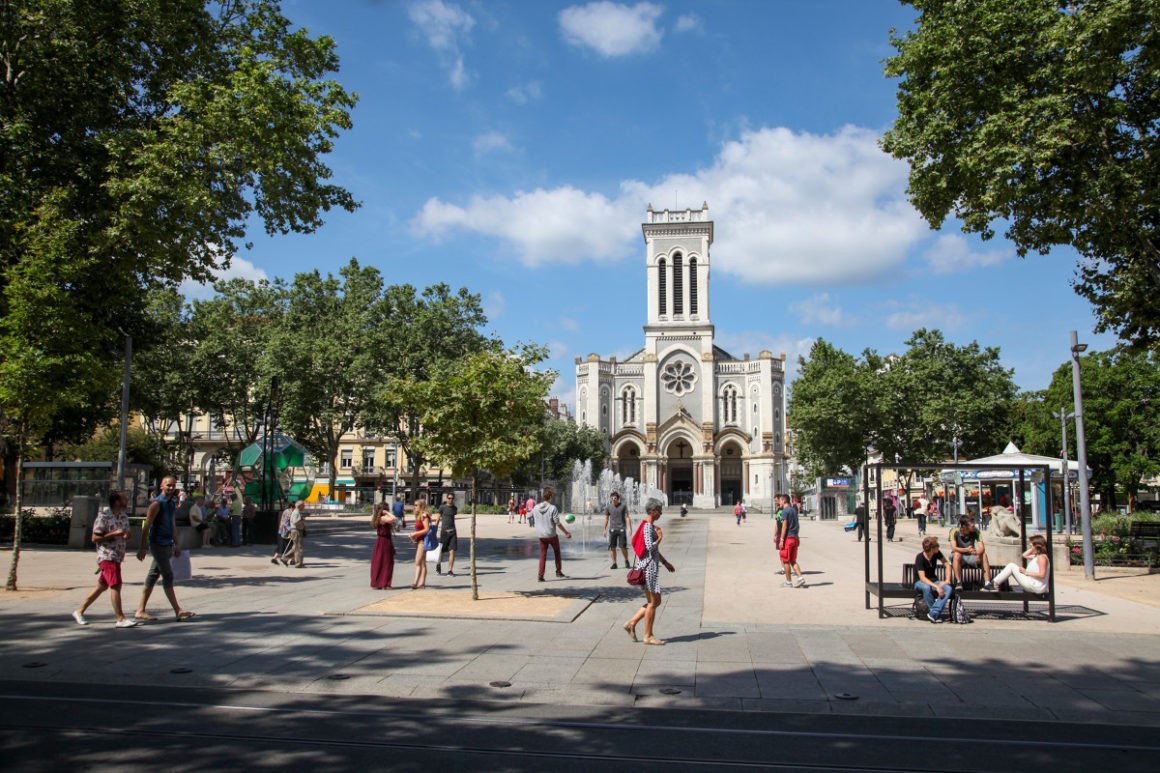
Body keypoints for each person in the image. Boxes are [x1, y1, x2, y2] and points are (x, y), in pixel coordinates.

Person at [73, 491, 139, 627]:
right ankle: (120, 618)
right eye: (124, 498)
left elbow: (129, 534)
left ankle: (79, 611)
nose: (127, 500)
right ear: (116, 501)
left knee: (101, 586)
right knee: (116, 585)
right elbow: (94, 538)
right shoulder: (104, 516)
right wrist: (113, 534)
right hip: (107, 555)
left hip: (118, 555)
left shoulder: (123, 516)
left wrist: (126, 535)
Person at [134, 476, 194, 622]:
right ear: (161, 486)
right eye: (168, 485)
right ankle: (178, 610)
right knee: (168, 575)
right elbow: (146, 526)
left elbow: (172, 525)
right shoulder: (156, 504)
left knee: (153, 575)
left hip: (167, 544)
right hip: (157, 544)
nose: (171, 488)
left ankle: (140, 610)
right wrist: (142, 547)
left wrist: (177, 544)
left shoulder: (171, 503)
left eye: (173, 486)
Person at [623, 497, 675, 645]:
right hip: (648, 569)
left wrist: (665, 562)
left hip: (650, 567)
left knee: (654, 601)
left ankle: (631, 623)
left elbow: (653, 551)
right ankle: (648, 635)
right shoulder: (647, 527)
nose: (661, 514)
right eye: (659, 511)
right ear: (652, 511)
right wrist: (660, 538)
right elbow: (649, 547)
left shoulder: (649, 526)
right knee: (654, 602)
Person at [985, 534, 1049, 593]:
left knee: (1011, 566)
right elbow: (1024, 555)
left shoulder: (1042, 558)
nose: (1030, 545)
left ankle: (994, 584)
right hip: (1034, 583)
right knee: (1012, 566)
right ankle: (994, 583)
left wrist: (1026, 572)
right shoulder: (1037, 556)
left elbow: (1042, 575)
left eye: (1031, 544)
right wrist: (1032, 549)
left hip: (1036, 585)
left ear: (1037, 545)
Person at [531, 487, 572, 581]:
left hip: (541, 535)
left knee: (542, 555)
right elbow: (557, 523)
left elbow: (530, 515)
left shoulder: (536, 507)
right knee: (557, 552)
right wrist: (566, 532)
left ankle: (540, 576)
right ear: (550, 497)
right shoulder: (552, 508)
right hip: (551, 535)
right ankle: (558, 571)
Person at [915, 536, 954, 623]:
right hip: (920, 582)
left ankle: (933, 613)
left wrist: (947, 580)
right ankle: (935, 614)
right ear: (932, 549)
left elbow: (947, 565)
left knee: (948, 588)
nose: (939, 548)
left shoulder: (937, 553)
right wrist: (936, 587)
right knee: (926, 588)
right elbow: (922, 578)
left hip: (933, 581)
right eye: (937, 546)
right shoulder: (920, 558)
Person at [950, 516, 992, 587]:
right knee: (957, 554)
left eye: (973, 524)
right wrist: (966, 549)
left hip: (971, 556)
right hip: (958, 557)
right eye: (971, 525)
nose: (973, 526)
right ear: (964, 526)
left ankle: (987, 583)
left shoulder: (976, 531)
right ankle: (959, 582)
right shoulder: (954, 531)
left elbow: (982, 547)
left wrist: (978, 553)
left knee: (984, 555)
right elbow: (954, 548)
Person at [777, 494, 806, 587]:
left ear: (784, 501)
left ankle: (788, 582)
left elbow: (784, 526)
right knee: (793, 560)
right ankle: (800, 578)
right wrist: (797, 536)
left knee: (785, 560)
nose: (779, 503)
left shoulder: (785, 511)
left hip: (788, 538)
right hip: (795, 538)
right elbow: (798, 525)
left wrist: (781, 539)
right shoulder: (794, 510)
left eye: (780, 501)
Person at [370, 502, 397, 589]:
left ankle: (381, 582)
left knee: (382, 561)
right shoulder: (382, 518)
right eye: (387, 508)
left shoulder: (380, 518)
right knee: (386, 562)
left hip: (383, 541)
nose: (389, 510)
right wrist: (387, 513)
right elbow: (394, 518)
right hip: (384, 542)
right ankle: (384, 583)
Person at [603, 491, 632, 569]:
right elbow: (606, 519)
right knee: (612, 547)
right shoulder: (608, 507)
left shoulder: (623, 506)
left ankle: (626, 560)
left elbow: (627, 517)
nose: (613, 499)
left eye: (615, 498)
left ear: (618, 499)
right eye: (612, 498)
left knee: (623, 546)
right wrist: (604, 529)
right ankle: (614, 563)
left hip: (621, 529)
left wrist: (630, 528)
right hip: (612, 530)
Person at [408, 499, 432, 589]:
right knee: (422, 563)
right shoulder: (419, 516)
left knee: (418, 562)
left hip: (423, 541)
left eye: (416, 505)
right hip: (419, 540)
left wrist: (415, 534)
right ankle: (421, 583)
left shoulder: (424, 516)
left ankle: (416, 582)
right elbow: (420, 529)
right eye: (414, 505)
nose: (415, 507)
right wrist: (414, 536)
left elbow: (427, 529)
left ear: (421, 506)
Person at [434, 493, 458, 576]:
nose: (450, 500)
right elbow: (437, 519)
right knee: (443, 551)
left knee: (452, 551)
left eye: (452, 498)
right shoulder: (442, 507)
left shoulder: (455, 508)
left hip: (453, 532)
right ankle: (438, 564)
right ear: (447, 498)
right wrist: (434, 530)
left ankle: (450, 571)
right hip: (444, 532)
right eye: (449, 498)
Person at [288, 500, 307, 567]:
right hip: (297, 531)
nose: (304, 507)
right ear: (299, 506)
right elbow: (295, 522)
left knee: (295, 547)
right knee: (299, 547)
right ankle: (299, 563)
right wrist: (302, 520)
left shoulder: (296, 512)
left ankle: (285, 558)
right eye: (303, 505)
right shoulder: (296, 512)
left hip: (295, 530)